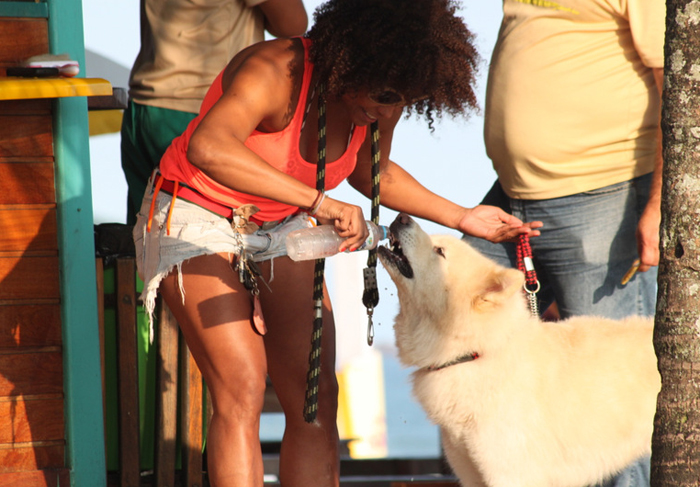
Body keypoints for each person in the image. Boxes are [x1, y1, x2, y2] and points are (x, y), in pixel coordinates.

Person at [132, 0, 541, 485]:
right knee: (240, 386)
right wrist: (319, 202)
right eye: (383, 95)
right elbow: (208, 146)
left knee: (315, 399)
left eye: (400, 99)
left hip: (281, 226)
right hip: (193, 213)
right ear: (353, 59)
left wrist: (462, 215)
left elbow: (373, 173)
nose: (387, 110)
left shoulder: (383, 93)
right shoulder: (274, 70)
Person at [462, 0, 665, 485]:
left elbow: (680, 86)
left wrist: (658, 205)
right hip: (510, 198)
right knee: (460, 340)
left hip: (604, 192)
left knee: (613, 396)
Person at [121, 0, 308, 224]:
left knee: (145, 238)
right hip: (204, 111)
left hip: (146, 103)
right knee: (216, 242)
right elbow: (293, 25)